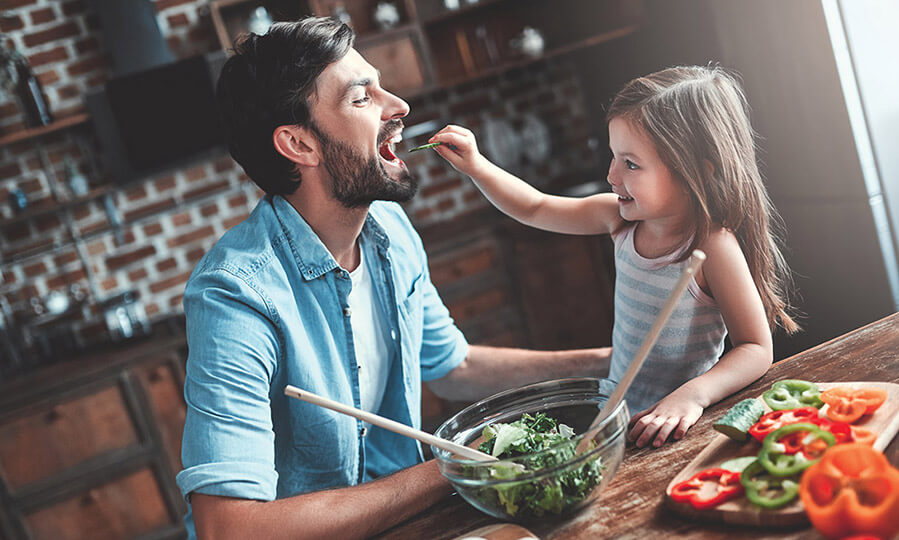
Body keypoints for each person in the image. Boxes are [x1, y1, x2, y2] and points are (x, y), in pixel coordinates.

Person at [177, 17, 610, 540]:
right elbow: (229, 528)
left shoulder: (387, 229)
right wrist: (455, 466)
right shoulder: (236, 295)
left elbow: (452, 365)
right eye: (362, 98)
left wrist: (613, 364)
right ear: (299, 143)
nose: (399, 106)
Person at [428, 65, 799, 451]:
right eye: (614, 157)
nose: (611, 175)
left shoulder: (711, 246)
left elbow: (755, 349)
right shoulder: (618, 219)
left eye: (631, 163)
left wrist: (693, 396)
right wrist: (476, 165)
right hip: (621, 423)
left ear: (696, 175)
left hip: (681, 429)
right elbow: (535, 208)